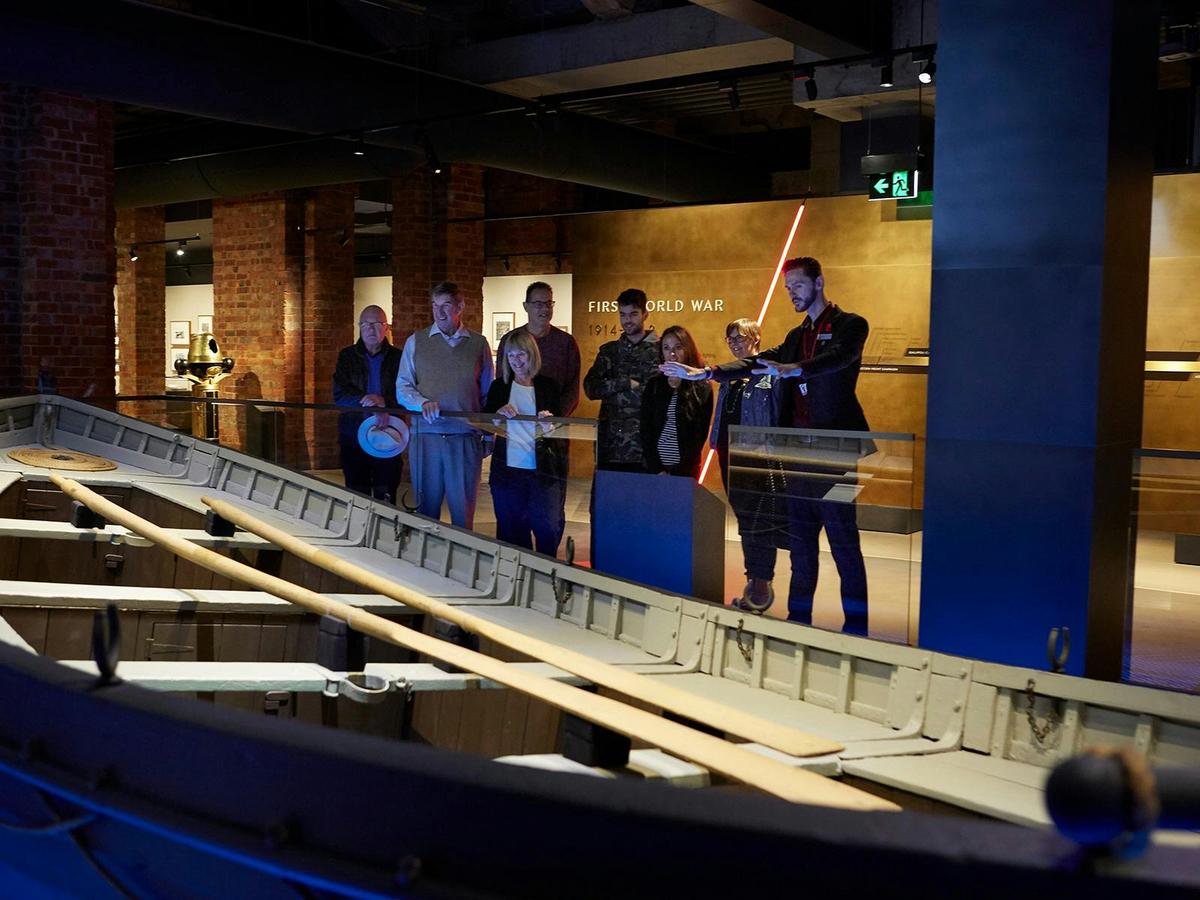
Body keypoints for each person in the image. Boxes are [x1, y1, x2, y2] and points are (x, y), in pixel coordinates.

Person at [660, 256, 872, 635]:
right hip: (797, 454)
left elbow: (839, 358)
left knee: (844, 543)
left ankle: (857, 629)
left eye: (798, 286)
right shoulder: (795, 337)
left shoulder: (850, 325)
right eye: (788, 287)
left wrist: (796, 369)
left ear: (819, 283)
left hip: (838, 452)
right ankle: (797, 622)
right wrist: (707, 372)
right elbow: (757, 362)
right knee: (803, 546)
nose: (791, 292)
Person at [396, 281, 494, 529]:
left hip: (464, 438)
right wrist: (422, 403)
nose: (439, 313)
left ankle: (462, 564)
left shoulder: (478, 344)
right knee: (425, 510)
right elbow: (403, 386)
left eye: (446, 305)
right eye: (434, 306)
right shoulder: (416, 342)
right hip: (425, 437)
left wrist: (488, 435)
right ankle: (425, 563)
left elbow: (487, 394)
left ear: (460, 306)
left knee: (463, 512)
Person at [495, 281, 581, 552]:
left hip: (549, 447)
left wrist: (551, 424)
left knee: (549, 519)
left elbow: (571, 391)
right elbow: (500, 389)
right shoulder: (511, 339)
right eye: (538, 303)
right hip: (513, 455)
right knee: (512, 522)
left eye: (548, 303)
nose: (544, 309)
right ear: (526, 307)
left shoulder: (566, 343)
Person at [708, 318, 785, 613]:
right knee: (744, 519)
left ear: (756, 338)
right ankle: (753, 579)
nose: (736, 344)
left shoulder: (770, 375)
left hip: (757, 457)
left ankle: (761, 581)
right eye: (731, 340)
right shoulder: (728, 378)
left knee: (759, 519)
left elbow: (778, 414)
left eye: (740, 338)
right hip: (729, 454)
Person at [483, 329, 566, 554]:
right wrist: (497, 416)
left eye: (521, 355)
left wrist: (549, 425)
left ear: (532, 355)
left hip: (542, 473)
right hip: (507, 473)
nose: (516, 361)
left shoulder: (548, 386)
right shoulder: (499, 387)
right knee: (511, 534)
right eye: (511, 355)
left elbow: (559, 427)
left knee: (547, 531)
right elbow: (487, 423)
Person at [332, 304, 404, 503]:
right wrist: (368, 401)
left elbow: (406, 395)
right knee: (357, 497)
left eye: (377, 324)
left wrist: (384, 403)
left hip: (389, 436)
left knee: (386, 497)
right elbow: (339, 395)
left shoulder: (398, 358)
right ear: (359, 326)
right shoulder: (347, 356)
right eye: (366, 324)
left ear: (386, 328)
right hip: (354, 437)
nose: (371, 329)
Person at [583, 288, 660, 472]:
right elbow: (591, 389)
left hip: (647, 445)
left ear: (645, 314)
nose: (627, 320)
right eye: (623, 314)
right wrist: (624, 383)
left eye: (633, 314)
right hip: (611, 445)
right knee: (609, 498)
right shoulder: (609, 351)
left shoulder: (660, 351)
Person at [640, 325, 712, 478]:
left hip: (686, 470)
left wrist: (681, 470)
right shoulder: (654, 385)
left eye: (678, 347)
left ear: (687, 349)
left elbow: (700, 434)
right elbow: (646, 430)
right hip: (655, 469)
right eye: (666, 348)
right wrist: (657, 468)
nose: (672, 353)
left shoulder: (701, 385)